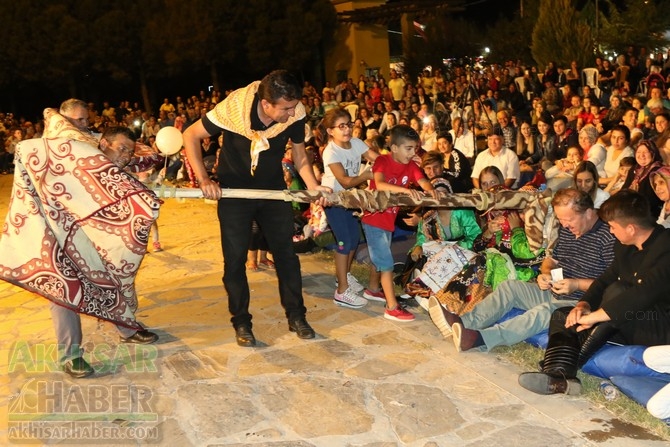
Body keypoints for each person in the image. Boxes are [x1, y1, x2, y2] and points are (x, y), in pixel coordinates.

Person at [182, 70, 329, 347]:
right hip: (234, 193)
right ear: (266, 104)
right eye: (285, 108)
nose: (292, 112)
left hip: (273, 192)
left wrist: (312, 186)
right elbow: (190, 135)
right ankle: (241, 322)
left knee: (286, 255)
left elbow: (300, 155)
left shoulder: (295, 113)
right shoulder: (234, 108)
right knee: (235, 261)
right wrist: (204, 178)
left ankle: (297, 316)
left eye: (294, 105)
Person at [1, 124, 161, 379]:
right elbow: (26, 149)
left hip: (92, 243)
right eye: (121, 149)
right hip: (58, 237)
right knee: (63, 288)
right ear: (105, 145)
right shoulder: (65, 160)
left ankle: (127, 331)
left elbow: (151, 158)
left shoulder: (115, 172)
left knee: (108, 282)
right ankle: (70, 355)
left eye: (128, 152)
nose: (126, 156)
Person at [519, 190, 670, 395]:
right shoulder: (625, 246)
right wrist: (584, 305)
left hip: (657, 325)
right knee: (564, 314)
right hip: (624, 320)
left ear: (631, 228)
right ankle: (558, 374)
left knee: (618, 291)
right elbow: (605, 279)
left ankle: (566, 371)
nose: (611, 231)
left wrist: (595, 317)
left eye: (613, 227)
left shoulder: (665, 247)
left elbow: (641, 294)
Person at [429, 188, 615, 352]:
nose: (564, 225)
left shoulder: (609, 236)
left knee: (544, 312)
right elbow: (551, 259)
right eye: (561, 220)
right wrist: (546, 272)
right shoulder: (569, 230)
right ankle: (463, 323)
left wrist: (577, 284)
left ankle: (480, 339)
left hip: (583, 303)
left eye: (568, 220)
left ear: (589, 213)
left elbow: (613, 284)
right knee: (509, 287)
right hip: (557, 289)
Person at [360, 125, 440, 321]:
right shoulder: (382, 160)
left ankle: (372, 289)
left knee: (379, 256)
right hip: (373, 218)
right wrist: (404, 191)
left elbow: (423, 181)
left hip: (387, 220)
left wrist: (431, 190)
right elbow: (379, 185)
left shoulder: (411, 165)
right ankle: (392, 307)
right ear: (394, 148)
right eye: (409, 148)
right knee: (386, 263)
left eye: (415, 148)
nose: (413, 153)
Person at [319, 108, 378, 309]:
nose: (347, 129)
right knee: (344, 241)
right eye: (341, 126)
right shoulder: (331, 151)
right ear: (330, 131)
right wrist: (366, 175)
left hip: (350, 200)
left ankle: (343, 276)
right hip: (334, 200)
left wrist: (398, 162)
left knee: (353, 240)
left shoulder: (356, 143)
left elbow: (377, 158)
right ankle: (342, 291)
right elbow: (344, 181)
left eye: (349, 124)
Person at [623, 139, 664, 217]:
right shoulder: (634, 169)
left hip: (648, 213)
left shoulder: (658, 171)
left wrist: (633, 196)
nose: (641, 155)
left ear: (653, 153)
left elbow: (653, 200)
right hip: (630, 207)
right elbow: (624, 190)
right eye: (638, 152)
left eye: (645, 152)